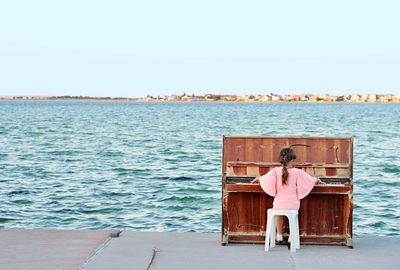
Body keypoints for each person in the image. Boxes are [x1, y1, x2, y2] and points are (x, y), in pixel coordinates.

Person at [251, 147, 325, 243]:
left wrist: (259, 179)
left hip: (279, 203)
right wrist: (317, 180)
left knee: (278, 212)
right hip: (293, 204)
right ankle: (291, 236)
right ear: (292, 160)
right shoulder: (298, 172)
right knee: (293, 214)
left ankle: (279, 235)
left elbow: (265, 179)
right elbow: (310, 180)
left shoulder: (276, 170)